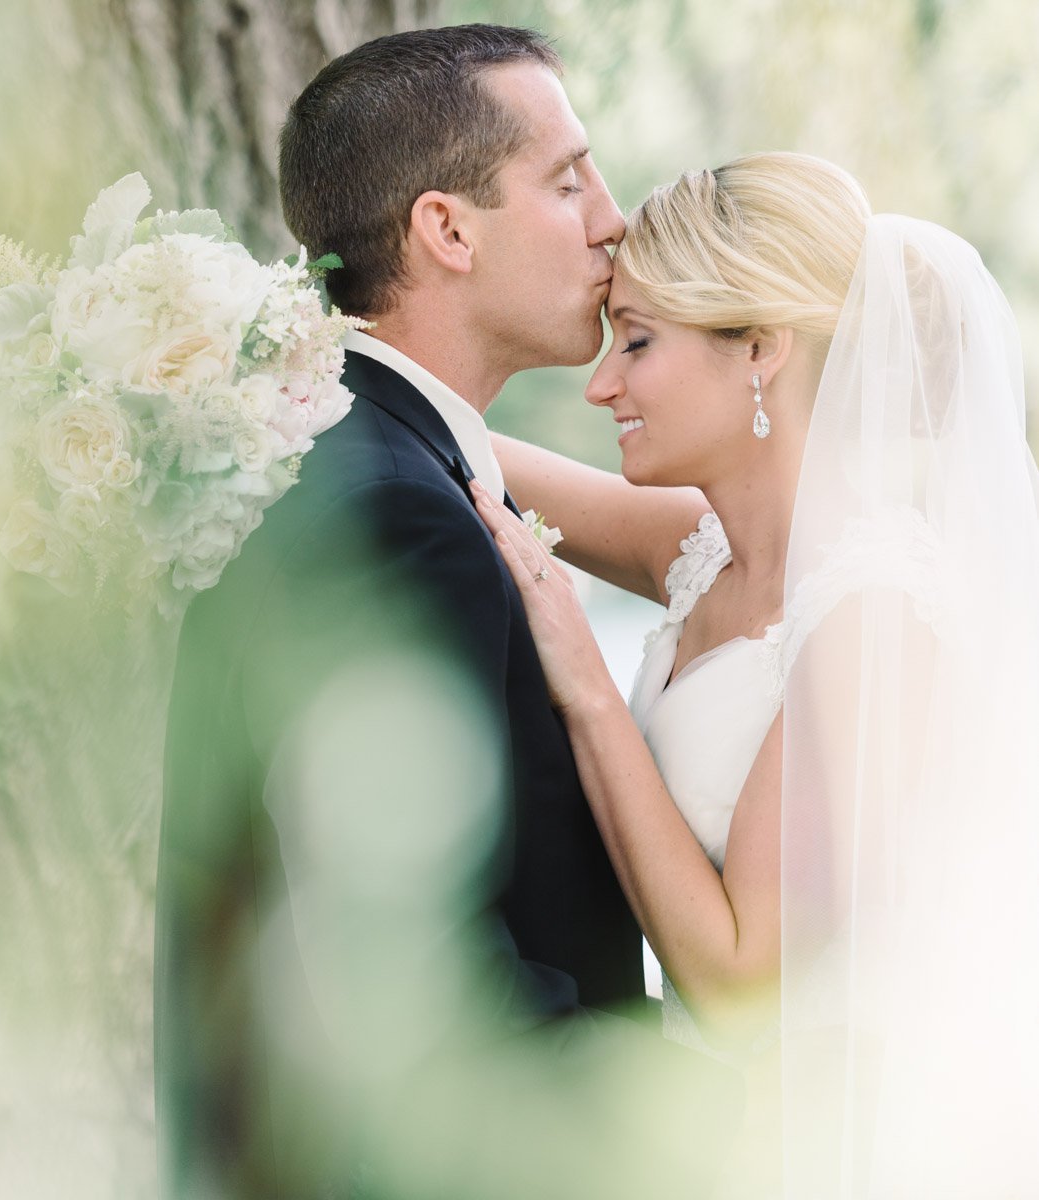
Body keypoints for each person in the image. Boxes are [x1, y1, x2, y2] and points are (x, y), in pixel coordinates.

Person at [156, 25, 737, 1199]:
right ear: (448, 230)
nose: (610, 219)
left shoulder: (359, 458)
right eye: (568, 179)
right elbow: (423, 972)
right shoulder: (397, 513)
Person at [481, 150, 1039, 1195]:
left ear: (761, 353)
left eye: (637, 341)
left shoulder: (874, 614)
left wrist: (589, 686)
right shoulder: (703, 551)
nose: (601, 383)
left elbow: (741, 975)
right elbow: (466, 446)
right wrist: (288, 363)